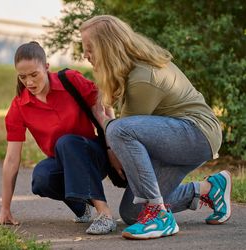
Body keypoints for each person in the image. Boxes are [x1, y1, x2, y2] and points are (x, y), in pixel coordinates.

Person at [79, 15, 232, 240]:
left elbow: (123, 133)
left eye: (89, 48)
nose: (85, 55)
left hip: (197, 134)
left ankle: (159, 216)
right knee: (132, 213)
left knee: (118, 130)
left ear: (107, 46)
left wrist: (103, 121)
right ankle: (210, 189)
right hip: (175, 138)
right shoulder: (130, 69)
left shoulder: (143, 77)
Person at [0, 41, 117, 235]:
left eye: (34, 74)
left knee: (67, 142)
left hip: (94, 155)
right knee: (41, 178)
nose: (30, 82)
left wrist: (113, 149)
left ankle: (105, 215)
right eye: (23, 77)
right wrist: (5, 209)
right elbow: (11, 159)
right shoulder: (20, 106)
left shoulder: (70, 80)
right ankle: (80, 207)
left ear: (46, 67)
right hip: (63, 162)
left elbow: (104, 106)